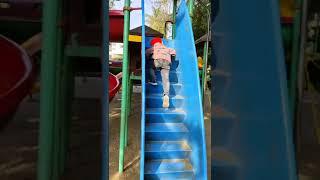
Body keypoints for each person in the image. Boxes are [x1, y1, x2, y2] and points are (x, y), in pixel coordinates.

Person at [146, 37, 176, 108]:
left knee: (151, 66)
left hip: (157, 61)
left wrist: (148, 57)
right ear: (161, 43)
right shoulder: (166, 48)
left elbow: (147, 52)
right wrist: (172, 57)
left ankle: (153, 80)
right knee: (165, 79)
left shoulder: (154, 47)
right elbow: (174, 52)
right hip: (167, 61)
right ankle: (166, 95)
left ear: (153, 44)